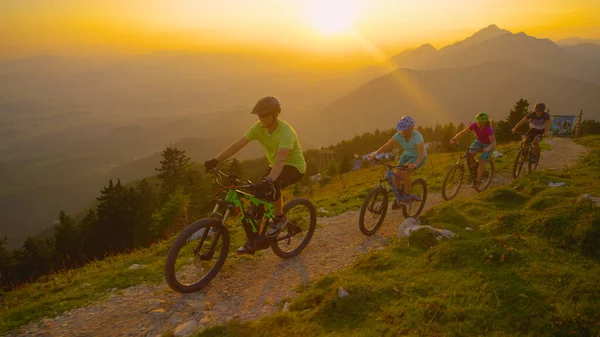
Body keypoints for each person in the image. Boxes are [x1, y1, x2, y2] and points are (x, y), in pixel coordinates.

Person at [204, 96, 306, 254]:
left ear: (275, 114)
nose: (262, 118)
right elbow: (238, 144)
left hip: (293, 167)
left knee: (272, 184)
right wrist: (216, 160)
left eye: (265, 115)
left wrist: (270, 180)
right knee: (257, 197)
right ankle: (254, 240)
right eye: (260, 116)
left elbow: (280, 161)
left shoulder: (286, 132)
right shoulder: (258, 128)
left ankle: (280, 218)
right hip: (276, 166)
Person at [368, 116, 427, 207]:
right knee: (396, 175)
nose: (402, 131)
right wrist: (375, 154)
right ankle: (399, 197)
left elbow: (421, 154)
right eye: (401, 129)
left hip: (418, 156)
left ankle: (408, 195)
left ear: (411, 128)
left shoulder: (417, 136)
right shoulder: (399, 136)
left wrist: (414, 165)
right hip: (407, 154)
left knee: (405, 172)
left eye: (404, 129)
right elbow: (386, 146)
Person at [450, 112, 496, 187]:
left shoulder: (489, 129)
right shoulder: (474, 125)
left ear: (485, 122)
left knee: (481, 160)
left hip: (488, 145)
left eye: (481, 122)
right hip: (479, 141)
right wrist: (454, 139)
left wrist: (488, 148)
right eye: (478, 121)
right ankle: (474, 171)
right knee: (468, 156)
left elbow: (493, 142)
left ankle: (478, 181)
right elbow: (463, 132)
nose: (479, 124)